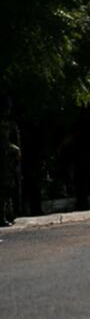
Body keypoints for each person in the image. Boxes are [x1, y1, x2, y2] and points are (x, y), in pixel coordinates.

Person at [0, 95, 21, 227]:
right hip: (3, 161)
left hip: (6, 161)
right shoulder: (3, 125)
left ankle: (8, 214)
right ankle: (2, 216)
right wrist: (15, 149)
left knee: (7, 189)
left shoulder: (8, 124)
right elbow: (4, 142)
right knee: (4, 189)